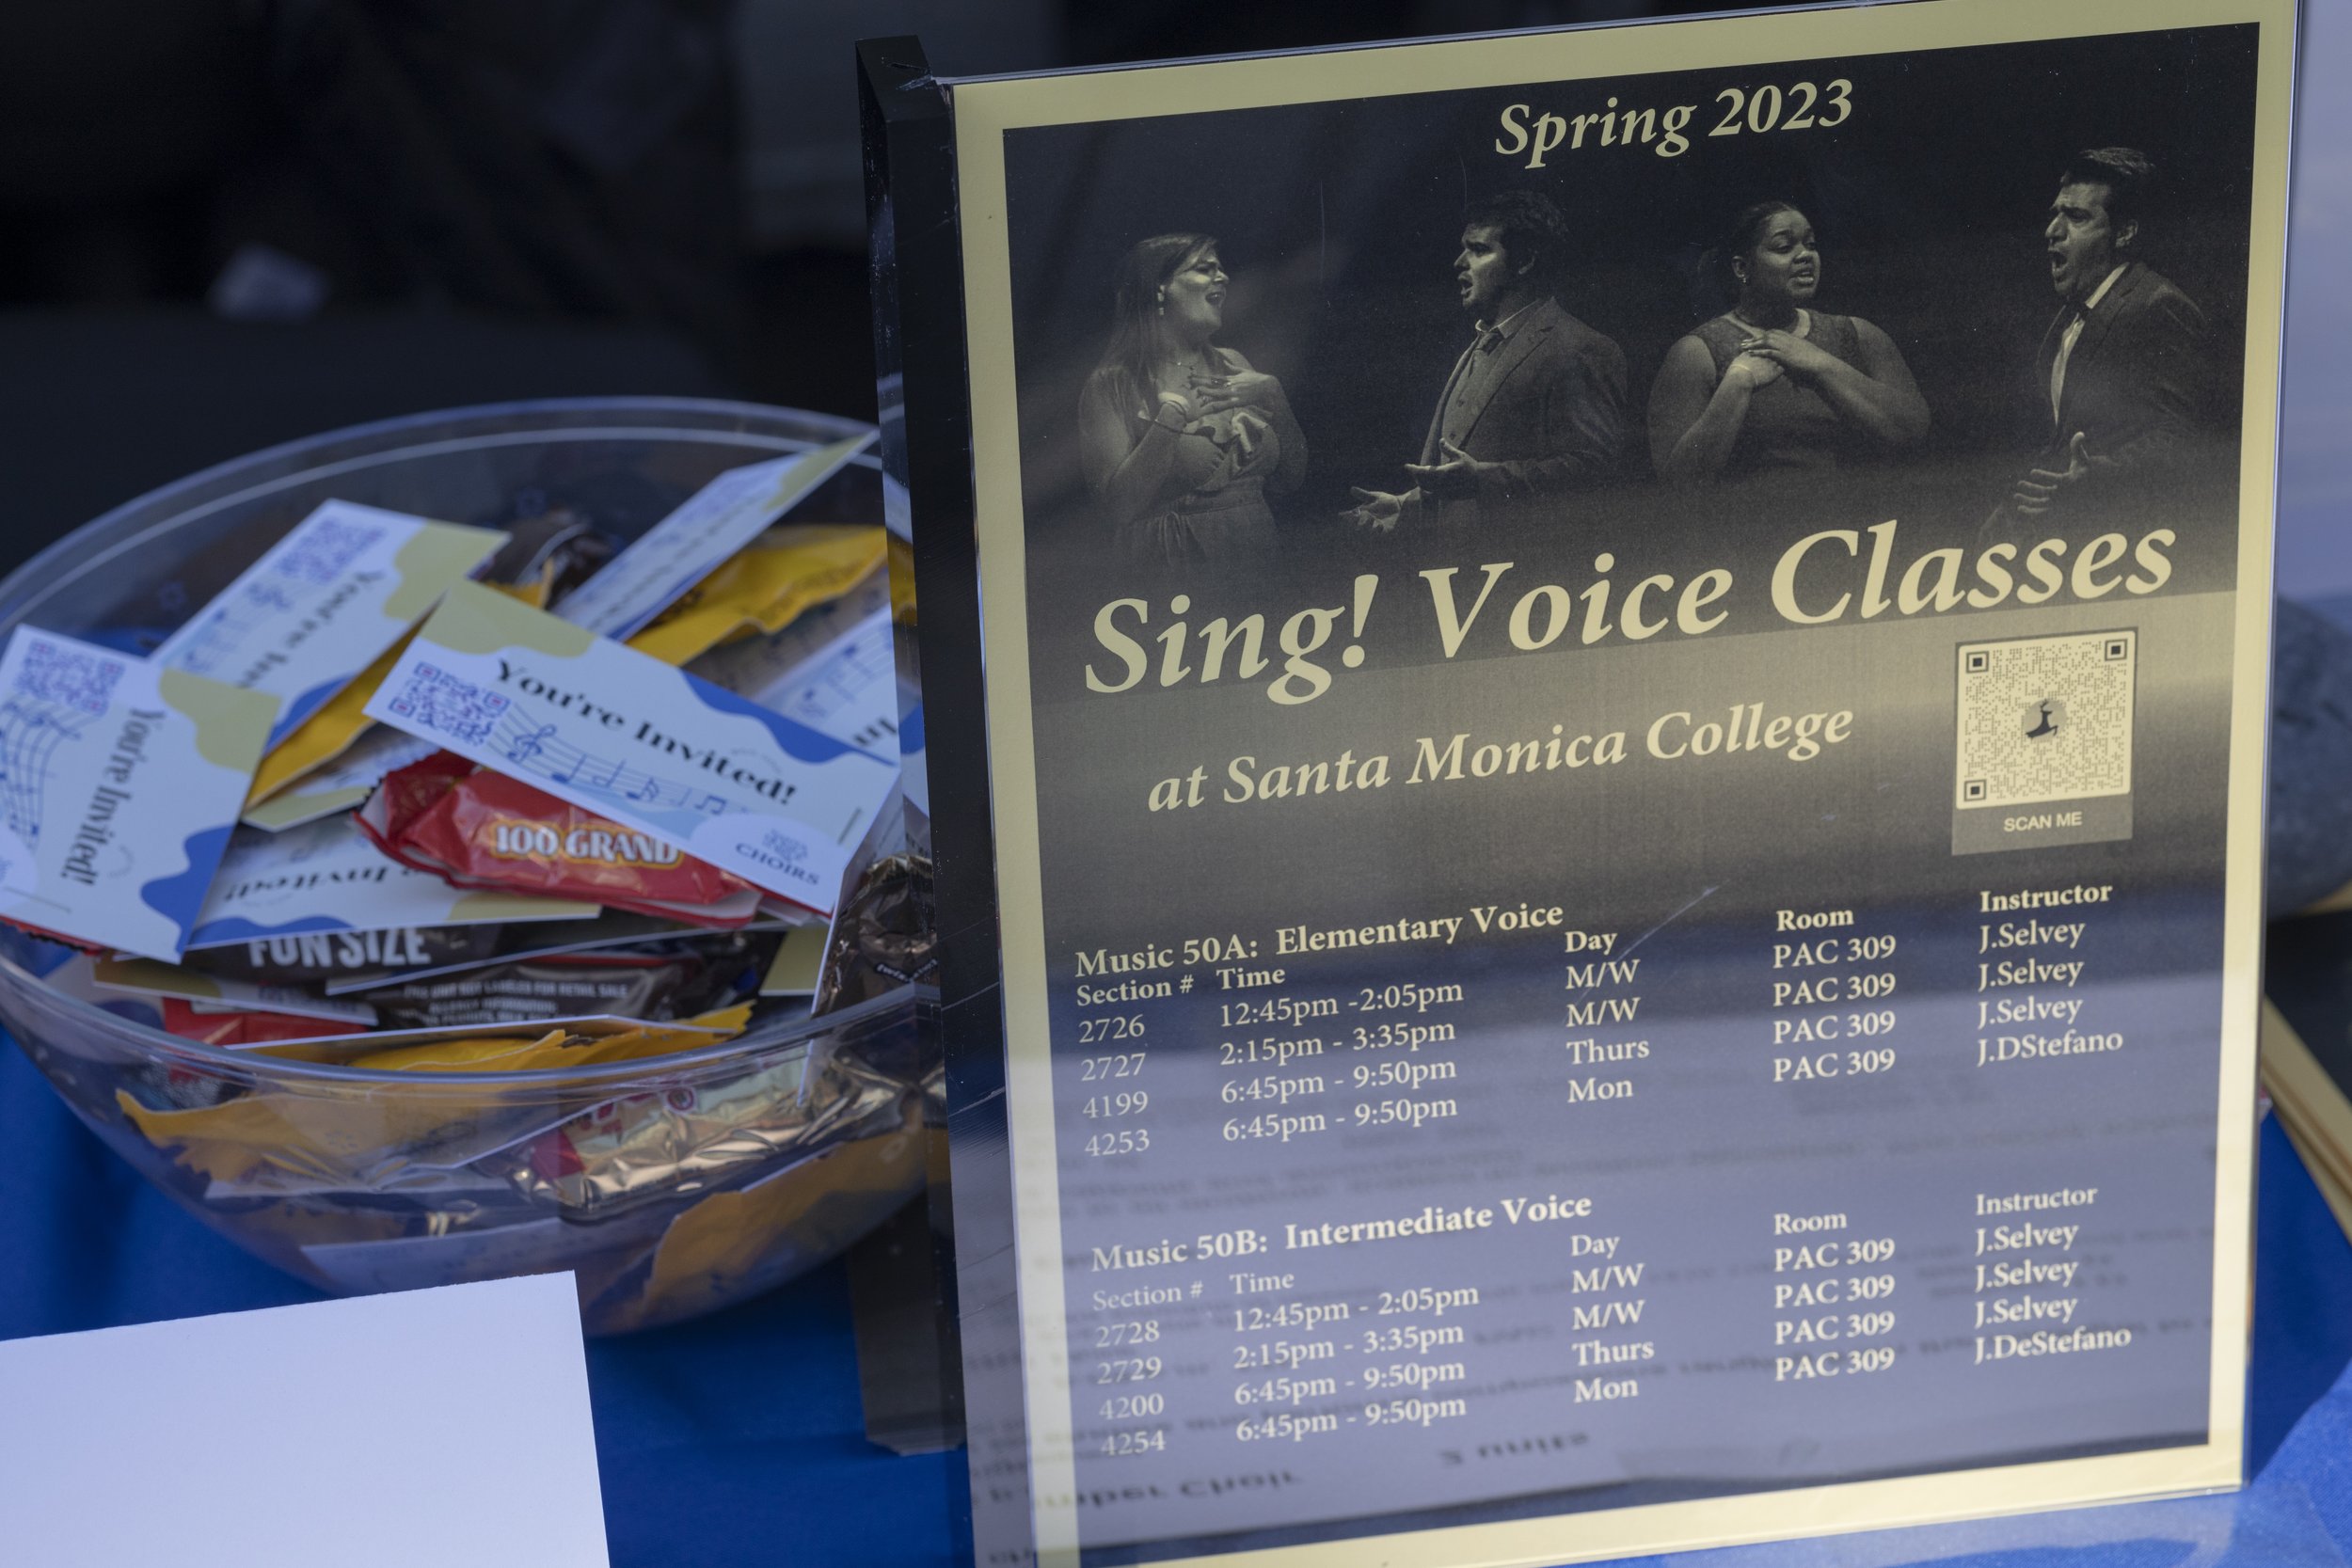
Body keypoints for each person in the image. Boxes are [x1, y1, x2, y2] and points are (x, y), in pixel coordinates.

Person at [1350, 191, 1626, 531]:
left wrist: (1483, 479)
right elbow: (1461, 474)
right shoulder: (1480, 343)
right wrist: (1405, 506)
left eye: (1479, 249)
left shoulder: (1579, 348)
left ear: (1524, 260)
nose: (1459, 262)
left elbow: (1597, 469)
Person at [2003, 147, 2217, 520]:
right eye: (2055, 214)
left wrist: (2099, 477)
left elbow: (2184, 437)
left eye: (2077, 217)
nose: (2052, 231)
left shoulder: (2159, 305)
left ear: (2125, 232)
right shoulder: (2069, 314)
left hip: (2122, 529)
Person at [1647, 201, 1928, 484]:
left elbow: (1914, 433)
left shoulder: (1857, 334)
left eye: (1811, 245)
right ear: (1742, 267)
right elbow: (1677, 481)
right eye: (1784, 247)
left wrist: (1820, 363)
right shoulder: (1697, 352)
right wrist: (1737, 384)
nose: (1805, 255)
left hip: (1859, 516)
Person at [1077, 233, 1306, 572]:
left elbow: (1291, 480)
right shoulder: (1111, 385)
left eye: (1221, 268)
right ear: (1159, 287)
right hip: (1175, 572)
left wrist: (1275, 396)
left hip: (1258, 566)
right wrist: (1171, 419)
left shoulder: (1234, 362)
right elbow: (1118, 509)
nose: (1223, 277)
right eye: (1204, 269)